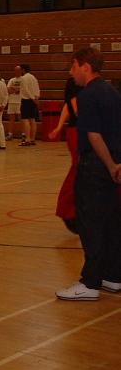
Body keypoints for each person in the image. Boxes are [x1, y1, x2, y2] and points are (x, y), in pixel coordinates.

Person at [56, 48, 121, 301]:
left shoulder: (87, 95)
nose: (71, 72)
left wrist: (109, 165)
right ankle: (113, 276)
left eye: (73, 66)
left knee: (90, 223)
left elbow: (94, 135)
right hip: (112, 164)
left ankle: (90, 282)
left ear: (85, 66)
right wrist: (116, 164)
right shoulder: (112, 92)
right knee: (111, 221)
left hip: (95, 166)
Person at [49, 78, 83, 234]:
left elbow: (68, 106)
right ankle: (68, 210)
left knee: (80, 171)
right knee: (78, 170)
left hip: (79, 131)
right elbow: (73, 107)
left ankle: (71, 210)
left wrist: (58, 127)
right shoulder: (75, 81)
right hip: (78, 132)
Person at [18, 64, 40, 146]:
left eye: (21, 69)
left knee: (25, 119)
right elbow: (37, 89)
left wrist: (32, 98)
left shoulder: (23, 78)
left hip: (27, 100)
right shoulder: (33, 77)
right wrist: (36, 98)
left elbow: (26, 90)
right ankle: (32, 139)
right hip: (33, 100)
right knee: (33, 119)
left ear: (23, 70)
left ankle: (27, 139)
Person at [6, 65, 23, 140]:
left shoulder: (23, 79)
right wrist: (16, 90)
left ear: (21, 71)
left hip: (20, 102)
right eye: (15, 70)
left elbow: (23, 89)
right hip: (11, 101)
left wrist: (14, 89)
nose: (16, 72)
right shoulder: (11, 80)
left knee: (21, 119)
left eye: (18, 70)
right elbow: (8, 90)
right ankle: (10, 134)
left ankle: (23, 134)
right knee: (11, 119)